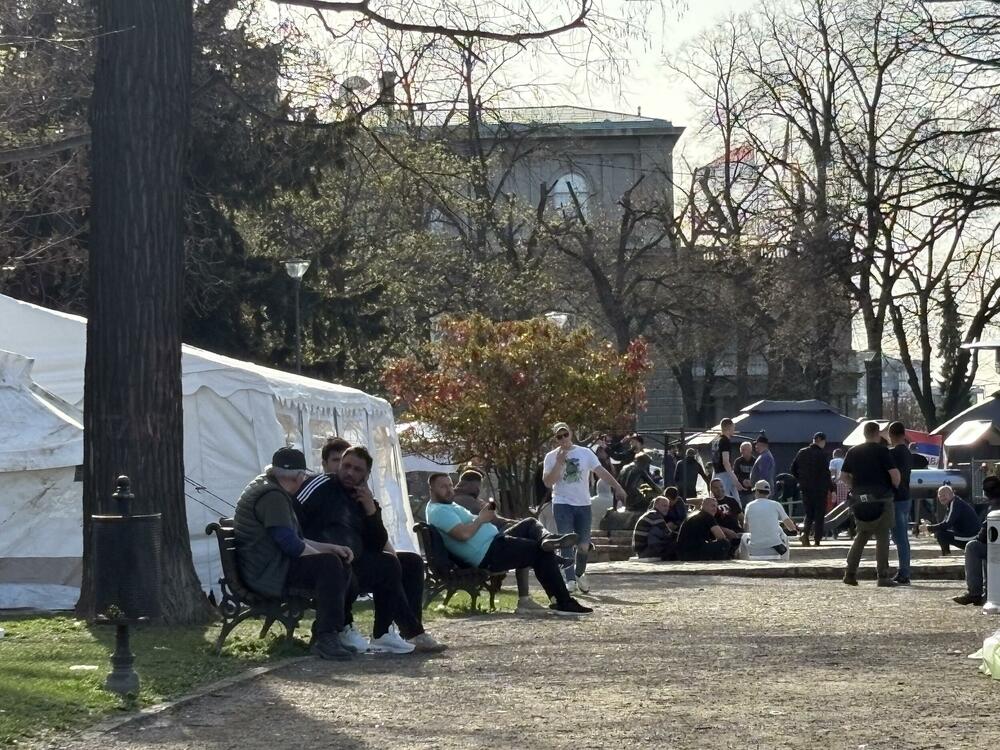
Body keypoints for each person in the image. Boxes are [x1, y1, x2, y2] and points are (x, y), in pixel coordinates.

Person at [296, 446, 445, 654]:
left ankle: (385, 634)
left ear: (366, 475)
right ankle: (413, 632)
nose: (349, 472)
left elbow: (377, 543)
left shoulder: (363, 497)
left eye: (357, 469)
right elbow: (292, 516)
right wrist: (312, 546)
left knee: (409, 562)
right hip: (321, 561)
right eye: (346, 466)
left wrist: (370, 510)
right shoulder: (321, 485)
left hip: (354, 560)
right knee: (387, 564)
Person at [234, 447, 356, 661]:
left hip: (267, 566)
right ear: (299, 476)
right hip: (267, 573)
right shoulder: (272, 497)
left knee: (334, 561)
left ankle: (327, 633)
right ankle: (326, 637)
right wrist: (325, 557)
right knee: (330, 565)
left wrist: (330, 548)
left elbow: (293, 539)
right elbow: (290, 544)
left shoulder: (269, 489)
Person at [425, 472, 591, 615]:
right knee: (538, 551)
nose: (449, 490)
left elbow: (475, 525)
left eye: (450, 485)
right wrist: (482, 519)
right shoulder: (439, 511)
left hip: (494, 542)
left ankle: (548, 540)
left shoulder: (447, 505)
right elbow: (463, 535)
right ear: (431, 490)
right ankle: (563, 602)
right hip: (487, 553)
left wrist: (486, 517)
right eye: (443, 487)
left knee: (530, 523)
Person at [543, 422, 626, 594]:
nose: (563, 438)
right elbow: (548, 482)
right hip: (562, 502)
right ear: (555, 439)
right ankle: (570, 580)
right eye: (559, 436)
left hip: (583, 503)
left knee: (583, 545)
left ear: (571, 433)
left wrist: (617, 487)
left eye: (565, 434)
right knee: (566, 541)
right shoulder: (551, 457)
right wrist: (559, 463)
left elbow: (600, 471)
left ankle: (579, 573)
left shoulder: (585, 453)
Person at [452, 468, 549, 616]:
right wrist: (517, 523)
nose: (479, 489)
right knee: (527, 534)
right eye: (478, 486)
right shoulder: (466, 501)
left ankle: (547, 543)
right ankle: (525, 598)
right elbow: (496, 520)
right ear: (469, 484)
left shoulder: (457, 500)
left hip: (479, 547)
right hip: (486, 549)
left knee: (526, 532)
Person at [840, 421, 901, 587]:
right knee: (882, 537)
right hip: (882, 498)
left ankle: (850, 573)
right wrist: (895, 488)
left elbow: (843, 476)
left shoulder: (853, 451)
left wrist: (856, 487)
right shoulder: (882, 451)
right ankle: (882, 576)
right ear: (877, 433)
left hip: (860, 500)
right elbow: (894, 474)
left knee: (862, 535)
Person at [952, 476, 1000, 606]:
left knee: (973, 547)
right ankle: (985, 592)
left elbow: (984, 535)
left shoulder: (995, 506)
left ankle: (975, 593)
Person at [791, 432, 834, 547]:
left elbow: (793, 468)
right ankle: (817, 539)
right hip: (820, 489)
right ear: (821, 440)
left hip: (805, 488)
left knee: (809, 513)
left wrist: (800, 479)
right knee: (819, 514)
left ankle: (805, 534)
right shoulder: (822, 454)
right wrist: (832, 488)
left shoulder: (802, 452)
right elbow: (826, 474)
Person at [886, 421, 913, 585]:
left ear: (891, 435)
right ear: (904, 434)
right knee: (901, 537)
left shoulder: (893, 454)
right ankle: (904, 570)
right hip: (906, 496)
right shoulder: (908, 453)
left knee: (899, 537)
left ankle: (904, 572)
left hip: (896, 498)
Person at [743, 480, 799, 557]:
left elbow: (746, 527)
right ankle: (785, 560)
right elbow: (788, 523)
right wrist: (794, 530)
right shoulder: (776, 505)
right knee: (781, 532)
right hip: (774, 551)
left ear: (756, 492)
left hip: (755, 550)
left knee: (744, 536)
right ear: (769, 493)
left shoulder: (749, 506)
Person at [632, 488, 687, 560]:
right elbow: (669, 534)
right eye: (664, 506)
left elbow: (683, 518)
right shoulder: (655, 516)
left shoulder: (652, 514)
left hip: (642, 550)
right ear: (656, 505)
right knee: (676, 544)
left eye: (667, 506)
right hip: (645, 551)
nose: (666, 508)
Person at [676, 496, 734, 561]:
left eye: (716, 506)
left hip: (682, 554)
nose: (715, 509)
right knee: (725, 543)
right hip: (693, 553)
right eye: (712, 506)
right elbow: (721, 537)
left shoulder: (693, 515)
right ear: (704, 506)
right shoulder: (707, 516)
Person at [927, 486, 980, 555]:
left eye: (944, 495)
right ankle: (946, 554)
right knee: (940, 532)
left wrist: (929, 528)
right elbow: (945, 523)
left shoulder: (955, 504)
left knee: (941, 534)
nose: (942, 498)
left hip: (971, 537)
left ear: (951, 494)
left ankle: (946, 555)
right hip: (967, 535)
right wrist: (931, 527)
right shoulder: (953, 503)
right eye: (939, 496)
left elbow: (947, 524)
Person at [710, 418, 741, 501]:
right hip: (725, 474)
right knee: (729, 500)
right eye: (733, 427)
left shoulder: (715, 440)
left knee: (718, 499)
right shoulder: (725, 441)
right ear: (729, 427)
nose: (734, 429)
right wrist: (735, 479)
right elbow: (725, 462)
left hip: (716, 473)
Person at [733, 441, 756, 508]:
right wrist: (742, 480)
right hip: (741, 490)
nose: (742, 451)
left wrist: (751, 481)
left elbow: (758, 475)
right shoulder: (738, 461)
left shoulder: (755, 461)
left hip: (752, 490)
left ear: (750, 450)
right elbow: (735, 474)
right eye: (742, 449)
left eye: (744, 449)